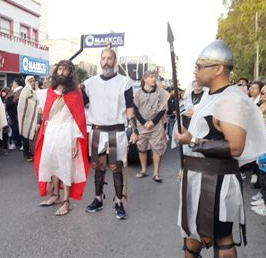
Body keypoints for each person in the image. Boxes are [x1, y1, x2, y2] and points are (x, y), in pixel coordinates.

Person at [175, 40, 266, 257]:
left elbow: (235, 147)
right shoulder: (211, 95)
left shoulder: (231, 100)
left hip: (216, 183)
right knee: (193, 238)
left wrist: (192, 141)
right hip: (198, 177)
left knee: (221, 240)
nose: (195, 71)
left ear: (218, 69)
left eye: (200, 66)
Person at [82, 48, 138, 219]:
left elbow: (129, 107)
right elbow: (78, 105)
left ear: (115, 61)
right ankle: (98, 199)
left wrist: (134, 129)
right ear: (100, 61)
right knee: (98, 168)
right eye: (103, 58)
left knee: (115, 168)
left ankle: (118, 201)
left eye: (110, 58)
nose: (106, 61)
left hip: (116, 131)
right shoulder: (89, 83)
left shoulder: (125, 82)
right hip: (97, 131)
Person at [34, 60, 88, 216]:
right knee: (52, 164)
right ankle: (56, 195)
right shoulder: (50, 92)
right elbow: (43, 113)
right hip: (51, 132)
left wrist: (75, 141)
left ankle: (66, 202)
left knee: (65, 166)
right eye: (60, 69)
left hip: (67, 132)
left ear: (70, 73)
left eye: (66, 70)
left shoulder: (75, 94)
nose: (62, 72)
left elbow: (77, 119)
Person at [133, 71, 169, 182]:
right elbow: (135, 110)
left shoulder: (160, 93)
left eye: (155, 77)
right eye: (151, 77)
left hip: (156, 125)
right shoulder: (138, 93)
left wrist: (153, 122)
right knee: (142, 148)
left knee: (157, 148)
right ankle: (143, 170)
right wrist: (144, 122)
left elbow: (162, 109)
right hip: (141, 125)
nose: (154, 79)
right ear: (145, 79)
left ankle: (156, 173)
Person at [250, 107, 266, 217]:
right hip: (263, 164)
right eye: (264, 117)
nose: (265, 120)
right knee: (264, 184)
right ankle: (265, 202)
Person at [17, 75, 38, 161]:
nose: (33, 83)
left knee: (33, 135)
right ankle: (26, 154)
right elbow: (23, 104)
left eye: (33, 81)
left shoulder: (36, 91)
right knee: (26, 134)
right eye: (30, 81)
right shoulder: (25, 91)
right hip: (26, 116)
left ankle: (32, 153)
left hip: (35, 116)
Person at [6, 79, 24, 150]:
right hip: (11, 112)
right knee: (14, 127)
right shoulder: (13, 90)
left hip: (18, 111)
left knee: (20, 127)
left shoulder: (21, 90)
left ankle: (23, 143)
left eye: (13, 82)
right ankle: (14, 142)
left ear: (16, 83)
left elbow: (16, 100)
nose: (12, 83)